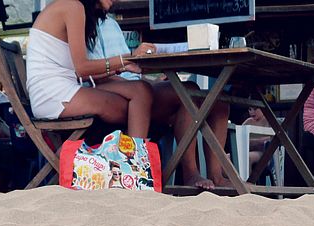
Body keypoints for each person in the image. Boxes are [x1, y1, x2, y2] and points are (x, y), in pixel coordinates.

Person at [86, 11, 231, 190]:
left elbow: (127, 67)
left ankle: (217, 175)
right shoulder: (85, 22)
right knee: (188, 91)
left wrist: (149, 81)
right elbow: (96, 74)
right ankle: (191, 173)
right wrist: (137, 75)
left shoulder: (111, 23)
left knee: (220, 103)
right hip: (114, 90)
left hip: (133, 85)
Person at [26, 0, 154, 139]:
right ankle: (133, 156)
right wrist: (127, 58)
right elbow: (82, 68)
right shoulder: (72, 6)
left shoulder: (73, 7)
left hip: (64, 88)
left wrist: (121, 66)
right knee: (136, 111)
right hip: (53, 96)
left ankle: (134, 155)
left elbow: (80, 72)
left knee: (141, 89)